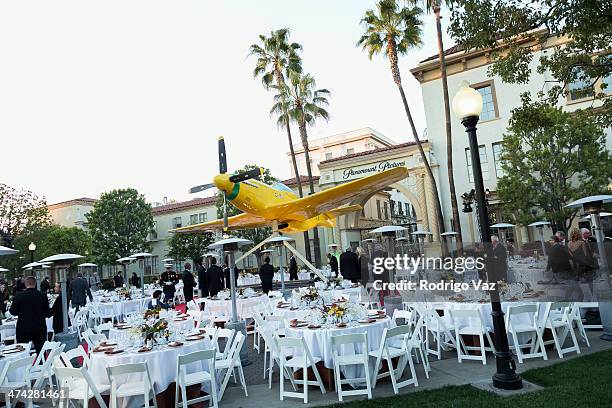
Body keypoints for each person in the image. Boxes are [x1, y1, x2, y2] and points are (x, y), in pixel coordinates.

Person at [9, 276, 49, 355]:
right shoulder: (42, 295)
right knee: (41, 350)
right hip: (39, 326)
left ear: (25, 284)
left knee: (22, 351)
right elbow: (47, 312)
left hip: (23, 327)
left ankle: (24, 366)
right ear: (35, 284)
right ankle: (42, 365)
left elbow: (13, 311)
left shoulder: (19, 296)